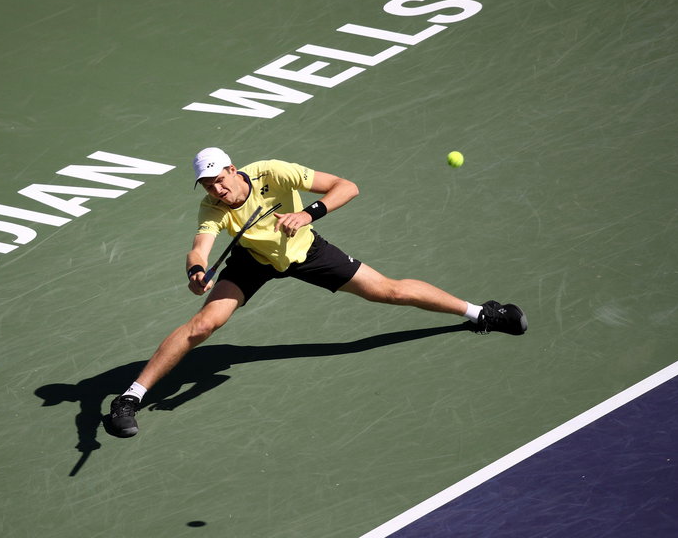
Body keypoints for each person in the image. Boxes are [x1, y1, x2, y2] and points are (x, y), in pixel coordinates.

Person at [105, 147, 527, 438]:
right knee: (204, 323)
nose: (216, 190)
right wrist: (197, 271)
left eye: (219, 180)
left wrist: (307, 213)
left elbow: (347, 185)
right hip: (252, 262)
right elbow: (199, 247)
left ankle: (481, 313)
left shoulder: (273, 171)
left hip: (306, 249)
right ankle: (130, 397)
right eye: (207, 185)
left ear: (233, 170)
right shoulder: (213, 209)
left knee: (389, 291)